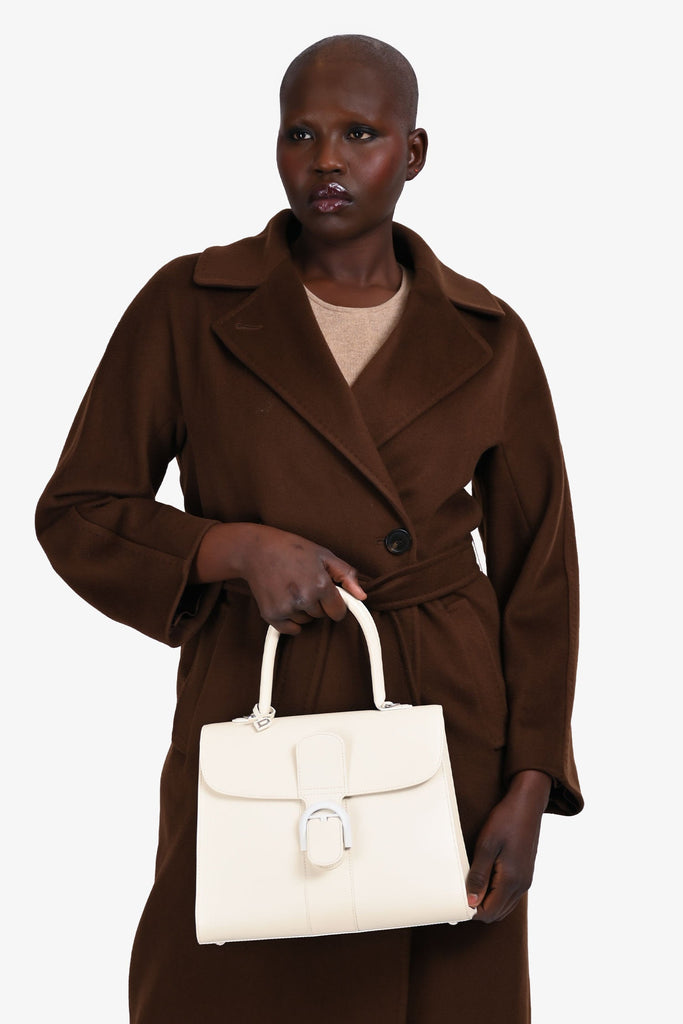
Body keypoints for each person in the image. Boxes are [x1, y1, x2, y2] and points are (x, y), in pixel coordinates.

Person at [35, 33, 582, 1024]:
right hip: (256, 699)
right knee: (222, 980)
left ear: (413, 152)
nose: (326, 158)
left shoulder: (487, 335)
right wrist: (231, 549)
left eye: (360, 133)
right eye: (301, 133)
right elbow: (78, 510)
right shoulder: (189, 305)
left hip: (445, 725)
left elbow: (539, 571)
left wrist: (531, 780)